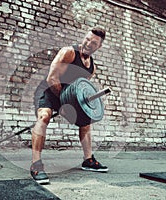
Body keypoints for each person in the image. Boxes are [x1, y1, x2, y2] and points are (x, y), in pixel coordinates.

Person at [31, 27, 108, 184]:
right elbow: (52, 78)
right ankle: (36, 164)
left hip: (68, 96)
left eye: (93, 43)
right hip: (49, 90)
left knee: (86, 122)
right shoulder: (69, 52)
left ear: (99, 47)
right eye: (87, 39)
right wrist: (64, 102)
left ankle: (88, 160)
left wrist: (77, 105)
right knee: (44, 116)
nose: (88, 44)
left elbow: (80, 88)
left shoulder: (92, 68)